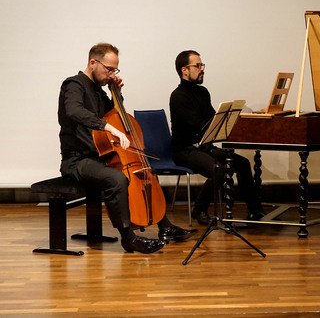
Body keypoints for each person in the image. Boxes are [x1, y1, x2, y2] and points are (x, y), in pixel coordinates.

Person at [58, 43, 197, 254]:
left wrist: (117, 94)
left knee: (146, 170)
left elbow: (113, 113)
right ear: (93, 63)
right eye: (109, 69)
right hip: (77, 160)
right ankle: (128, 237)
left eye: (115, 70)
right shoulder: (74, 85)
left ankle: (165, 226)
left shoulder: (98, 90)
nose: (111, 74)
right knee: (117, 179)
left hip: (99, 158)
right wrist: (107, 127)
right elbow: (74, 111)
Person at [169, 50, 265, 225]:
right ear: (184, 70)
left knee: (242, 163)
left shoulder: (202, 92)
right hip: (185, 149)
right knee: (219, 170)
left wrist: (230, 118)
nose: (202, 69)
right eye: (197, 66)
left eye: (202, 65)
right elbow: (200, 125)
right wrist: (217, 122)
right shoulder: (178, 96)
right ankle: (199, 209)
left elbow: (213, 121)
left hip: (203, 147)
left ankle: (255, 210)